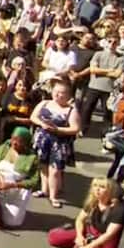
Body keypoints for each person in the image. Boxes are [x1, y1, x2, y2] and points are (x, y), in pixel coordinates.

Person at [48, 178, 124, 248]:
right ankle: (77, 243)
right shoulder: (93, 202)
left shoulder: (119, 209)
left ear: (110, 191)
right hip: (89, 234)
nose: (97, 189)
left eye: (102, 187)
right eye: (95, 186)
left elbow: (109, 234)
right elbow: (80, 219)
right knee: (53, 237)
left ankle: (80, 247)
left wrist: (89, 247)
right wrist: (79, 236)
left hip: (105, 243)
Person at [31, 78, 81, 208]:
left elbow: (75, 128)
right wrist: (42, 123)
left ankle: (53, 196)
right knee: (43, 166)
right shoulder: (45, 103)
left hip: (59, 143)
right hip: (43, 139)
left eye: (62, 93)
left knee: (55, 170)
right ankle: (44, 189)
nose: (59, 95)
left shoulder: (71, 110)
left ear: (68, 95)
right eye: (56, 92)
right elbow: (33, 117)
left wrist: (58, 129)